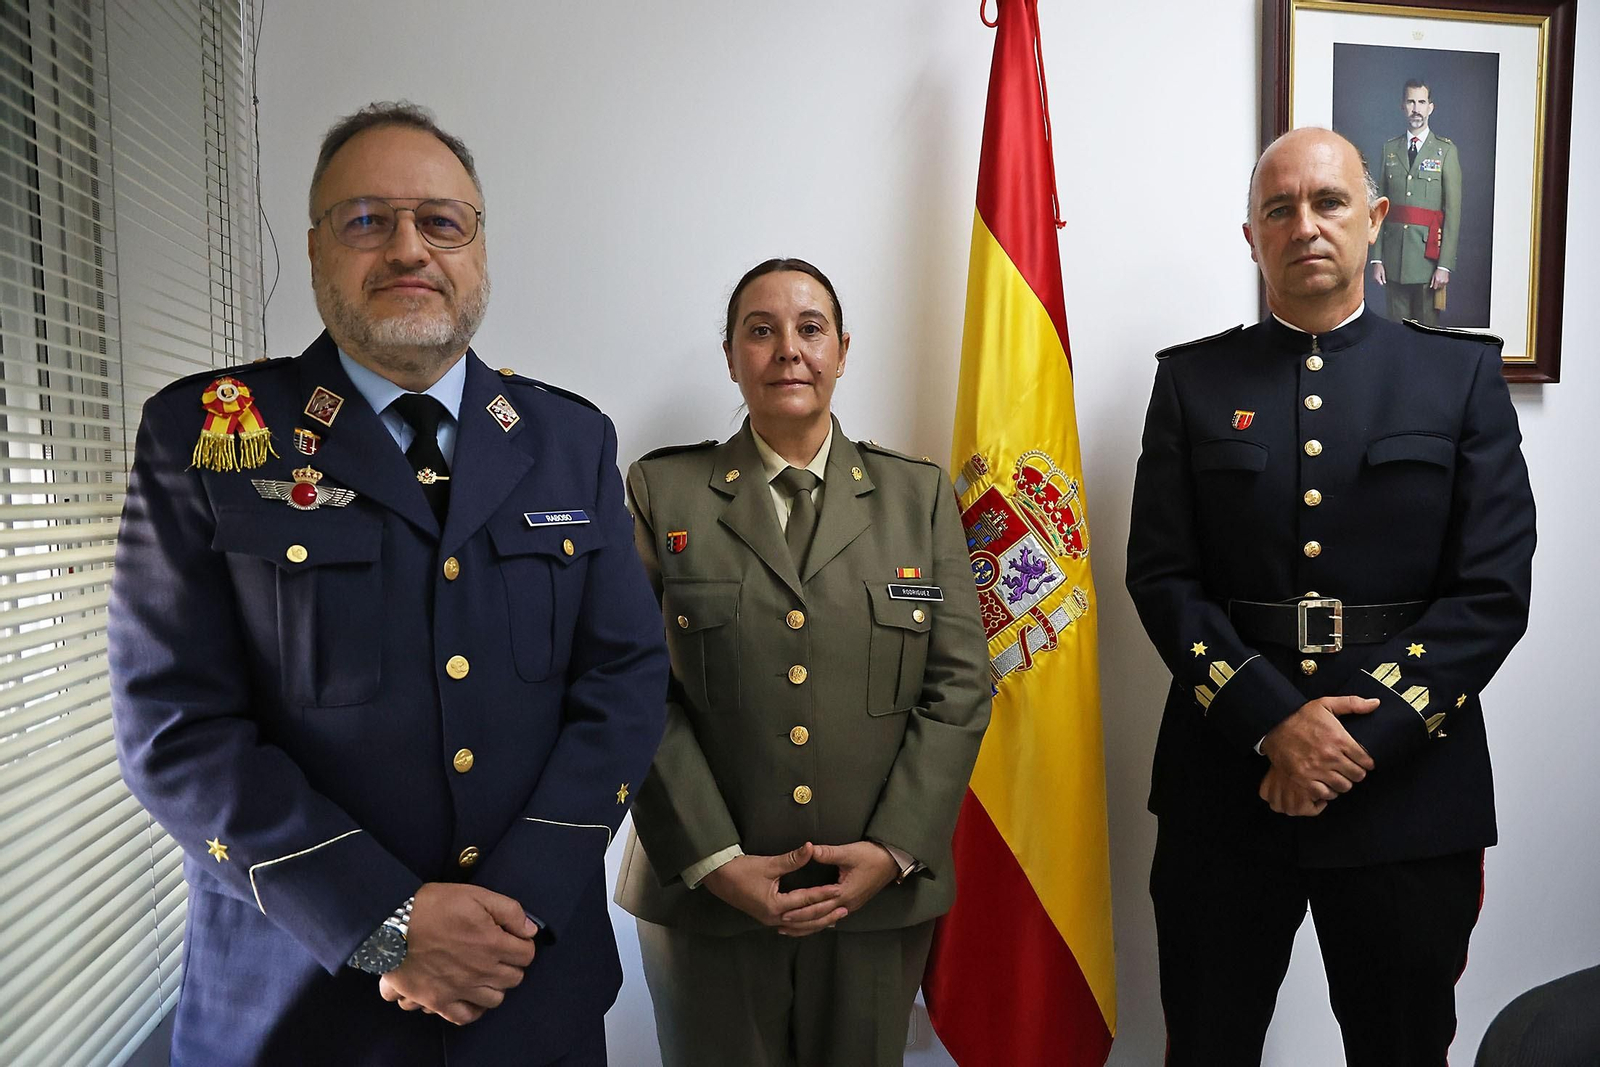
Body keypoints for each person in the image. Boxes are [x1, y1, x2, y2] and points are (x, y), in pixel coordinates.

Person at [108, 102, 668, 1067]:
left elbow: (623, 681)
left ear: (479, 251)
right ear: (320, 250)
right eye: (368, 220)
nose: (409, 247)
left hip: (525, 990)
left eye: (441, 222)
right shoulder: (209, 433)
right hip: (296, 1003)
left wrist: (513, 908)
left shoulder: (569, 440)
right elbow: (175, 724)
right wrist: (386, 919)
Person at [1126, 127, 1534, 1067]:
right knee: (1208, 1044)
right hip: (1227, 781)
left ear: (1376, 218)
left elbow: (1493, 589)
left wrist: (1355, 735)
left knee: (1402, 1046)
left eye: (1329, 202)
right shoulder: (1192, 383)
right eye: (1280, 208)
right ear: (1252, 236)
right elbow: (1163, 578)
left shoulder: (1459, 376)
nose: (1304, 224)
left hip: (1408, 788)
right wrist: (1274, 721)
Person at [613, 258, 991, 1066]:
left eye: (810, 327)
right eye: (761, 329)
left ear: (844, 350)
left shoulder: (915, 497)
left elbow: (959, 685)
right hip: (705, 896)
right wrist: (717, 860)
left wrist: (892, 848)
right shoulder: (660, 492)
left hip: (875, 898)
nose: (789, 349)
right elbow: (634, 685)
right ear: (730, 355)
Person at [1372, 78, 1463, 325]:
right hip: (1394, 260)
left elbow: (1453, 214)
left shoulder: (1445, 152)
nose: (1416, 108)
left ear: (1430, 107)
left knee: (1427, 337)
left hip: (1428, 260)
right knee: (1396, 335)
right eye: (1411, 101)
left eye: (1421, 102)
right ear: (1403, 106)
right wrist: (1377, 258)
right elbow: (1379, 209)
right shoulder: (1389, 149)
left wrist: (1445, 265)